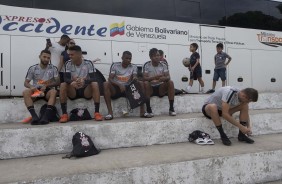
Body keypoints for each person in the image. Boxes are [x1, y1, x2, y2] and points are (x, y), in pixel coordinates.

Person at [59, 45, 103, 123]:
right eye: (69, 55)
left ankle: (97, 113)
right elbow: (66, 78)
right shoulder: (68, 63)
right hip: (73, 90)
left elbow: (94, 78)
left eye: (72, 55)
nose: (70, 56)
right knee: (63, 85)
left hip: (85, 90)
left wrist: (84, 81)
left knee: (95, 84)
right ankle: (64, 114)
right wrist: (72, 82)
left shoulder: (88, 63)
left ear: (79, 55)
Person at [103, 51, 145, 120]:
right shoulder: (115, 65)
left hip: (128, 89)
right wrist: (119, 85)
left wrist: (135, 78)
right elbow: (110, 79)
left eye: (130, 58)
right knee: (105, 84)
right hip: (116, 88)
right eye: (126, 58)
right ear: (122, 58)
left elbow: (134, 76)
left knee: (141, 83)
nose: (128, 60)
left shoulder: (133, 66)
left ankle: (142, 112)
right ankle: (110, 113)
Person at [22, 50, 60, 125]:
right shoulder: (33, 68)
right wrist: (32, 87)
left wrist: (46, 85)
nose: (46, 59)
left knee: (54, 92)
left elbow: (58, 82)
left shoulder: (53, 68)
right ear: (40, 57)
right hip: (36, 91)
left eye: (48, 58)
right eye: (44, 57)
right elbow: (26, 83)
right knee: (25, 92)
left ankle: (45, 117)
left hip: (47, 91)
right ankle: (34, 116)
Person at [143, 48, 176, 117]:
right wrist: (155, 77)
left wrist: (164, 78)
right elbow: (144, 78)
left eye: (158, 55)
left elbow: (168, 77)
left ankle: (171, 109)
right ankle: (149, 110)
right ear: (150, 57)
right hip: (151, 88)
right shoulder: (147, 65)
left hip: (160, 88)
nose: (157, 57)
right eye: (155, 56)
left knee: (170, 82)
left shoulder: (164, 64)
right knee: (146, 83)